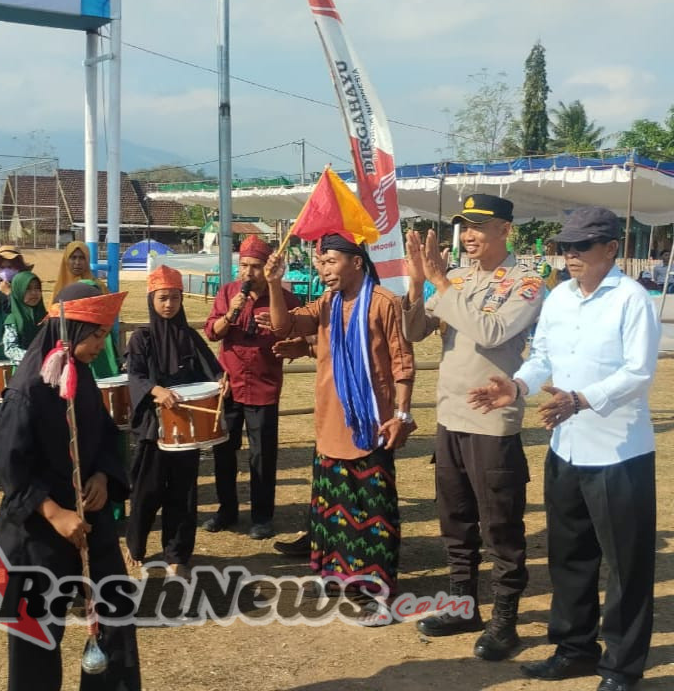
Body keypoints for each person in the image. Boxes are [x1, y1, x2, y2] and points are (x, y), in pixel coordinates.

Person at [469, 207, 661, 691]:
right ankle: (574, 649)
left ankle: (621, 667)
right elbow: (543, 357)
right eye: (565, 247)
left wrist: (581, 399)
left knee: (626, 565)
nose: (570, 255)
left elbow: (638, 372)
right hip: (567, 448)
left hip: (619, 453)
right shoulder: (558, 297)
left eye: (581, 246)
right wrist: (517, 386)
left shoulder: (632, 299)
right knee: (569, 556)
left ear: (611, 248)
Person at [402, 194, 543, 660]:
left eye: (479, 226)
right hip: (450, 417)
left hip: (492, 423)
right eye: (465, 227)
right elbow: (415, 332)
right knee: (456, 521)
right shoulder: (459, 277)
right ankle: (463, 607)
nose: (468, 235)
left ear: (506, 230)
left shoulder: (526, 282)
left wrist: (441, 282)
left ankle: (505, 621)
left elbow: (491, 332)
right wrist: (417, 284)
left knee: (500, 526)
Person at [0, 282, 141, 691]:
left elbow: (106, 436)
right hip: (38, 529)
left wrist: (103, 476)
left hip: (89, 518)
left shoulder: (81, 374)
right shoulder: (26, 390)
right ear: (70, 331)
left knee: (115, 616)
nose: (101, 346)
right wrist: (54, 513)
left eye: (105, 336)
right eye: (96, 336)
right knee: (35, 634)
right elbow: (9, 466)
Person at [266, 234, 415, 604]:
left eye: (331, 261)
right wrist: (273, 284)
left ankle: (373, 586)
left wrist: (402, 414)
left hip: (371, 425)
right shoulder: (327, 302)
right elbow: (284, 327)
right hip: (331, 421)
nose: (324, 270)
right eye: (321, 263)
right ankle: (336, 576)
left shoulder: (384, 303)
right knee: (333, 509)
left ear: (357, 262)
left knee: (371, 509)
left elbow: (402, 363)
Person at [124, 265, 223, 577]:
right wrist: (155, 390)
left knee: (184, 492)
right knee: (147, 490)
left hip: (186, 427)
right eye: (163, 298)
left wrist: (222, 380)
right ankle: (135, 546)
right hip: (154, 428)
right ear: (151, 299)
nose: (169, 304)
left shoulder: (189, 337)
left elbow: (212, 369)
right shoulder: (141, 338)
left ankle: (177, 554)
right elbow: (134, 375)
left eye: (175, 298)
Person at [203, 234, 300, 539]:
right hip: (229, 386)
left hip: (263, 387)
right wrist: (231, 312)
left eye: (255, 266)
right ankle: (227, 510)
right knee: (223, 451)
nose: (248, 272)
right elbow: (212, 332)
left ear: (267, 267)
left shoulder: (284, 299)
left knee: (262, 455)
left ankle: (262, 517)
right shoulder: (228, 292)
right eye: (244, 265)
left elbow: (298, 334)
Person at [3, 270, 48, 364]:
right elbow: (10, 349)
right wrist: (34, 356)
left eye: (37, 288)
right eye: (28, 289)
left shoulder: (47, 318)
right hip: (23, 368)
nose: (34, 293)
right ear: (18, 291)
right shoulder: (13, 319)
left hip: (46, 367)